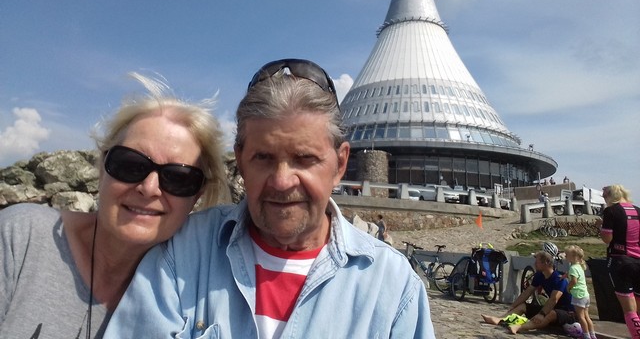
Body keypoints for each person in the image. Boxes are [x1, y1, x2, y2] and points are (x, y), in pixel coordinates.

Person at [104, 58, 434, 338]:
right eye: (263, 158)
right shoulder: (183, 253)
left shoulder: (393, 286)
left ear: (340, 164)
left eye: (304, 159)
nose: (282, 181)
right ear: (241, 161)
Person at [0, 73, 229, 338]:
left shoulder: (192, 295)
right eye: (131, 165)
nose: (149, 188)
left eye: (178, 178)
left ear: (197, 195)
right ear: (103, 168)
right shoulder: (22, 237)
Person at [481, 250, 574, 334]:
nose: (535, 264)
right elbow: (527, 292)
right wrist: (513, 306)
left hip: (568, 313)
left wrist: (541, 314)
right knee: (523, 306)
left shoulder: (559, 279)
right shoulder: (539, 275)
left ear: (546, 262)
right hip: (552, 309)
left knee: (551, 313)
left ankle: (520, 327)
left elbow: (554, 299)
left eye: (537, 262)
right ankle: (500, 319)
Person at [600, 184, 640, 339]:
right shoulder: (637, 210)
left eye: (604, 196)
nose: (604, 199)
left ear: (611, 195)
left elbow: (607, 238)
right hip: (638, 260)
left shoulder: (611, 211)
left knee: (629, 309)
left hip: (620, 261)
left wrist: (601, 228)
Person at [564, 245, 596, 339]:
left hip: (578, 295)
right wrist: (566, 275)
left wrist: (568, 287)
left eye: (567, 255)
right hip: (585, 295)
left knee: (581, 317)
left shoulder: (573, 268)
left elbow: (574, 281)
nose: (565, 256)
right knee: (587, 316)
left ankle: (586, 335)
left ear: (573, 257)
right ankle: (593, 334)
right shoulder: (579, 266)